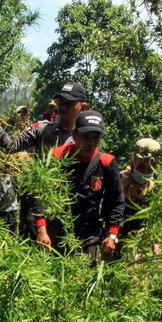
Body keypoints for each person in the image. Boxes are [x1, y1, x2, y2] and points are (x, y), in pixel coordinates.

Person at [0, 82, 89, 240]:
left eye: (70, 103)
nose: (63, 107)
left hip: (69, 211)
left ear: (82, 106)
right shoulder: (42, 128)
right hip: (36, 206)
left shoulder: (87, 138)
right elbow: (11, 146)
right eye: (61, 102)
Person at [34, 110, 124, 262]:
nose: (91, 142)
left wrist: (112, 234)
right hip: (57, 231)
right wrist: (41, 228)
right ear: (74, 135)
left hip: (89, 234)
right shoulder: (57, 157)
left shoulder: (106, 162)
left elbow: (116, 200)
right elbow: (39, 193)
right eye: (86, 136)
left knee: (85, 272)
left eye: (96, 137)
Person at [119, 137, 162, 257]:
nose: (145, 170)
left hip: (137, 241)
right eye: (142, 167)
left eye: (150, 168)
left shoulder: (155, 188)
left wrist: (155, 243)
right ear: (133, 162)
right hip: (117, 234)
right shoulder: (120, 180)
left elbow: (156, 219)